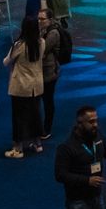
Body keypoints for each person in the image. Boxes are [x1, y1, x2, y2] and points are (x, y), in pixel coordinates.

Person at [5, 18, 47, 158]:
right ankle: (37, 143)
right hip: (36, 85)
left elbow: (6, 61)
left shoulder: (19, 45)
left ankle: (18, 147)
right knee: (35, 115)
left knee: (19, 117)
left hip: (21, 86)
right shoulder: (41, 43)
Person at [40, 9, 72, 138]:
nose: (40, 21)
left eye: (43, 19)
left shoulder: (52, 33)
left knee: (47, 100)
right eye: (39, 18)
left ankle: (47, 128)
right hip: (45, 70)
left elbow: (42, 50)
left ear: (50, 19)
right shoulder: (45, 30)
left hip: (49, 72)